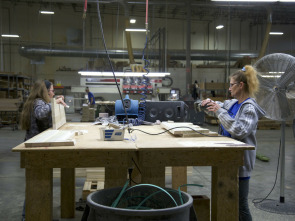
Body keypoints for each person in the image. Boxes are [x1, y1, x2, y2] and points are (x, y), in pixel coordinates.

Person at [200, 65, 265, 221]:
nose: (229, 88)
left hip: (240, 163)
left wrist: (218, 111)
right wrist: (206, 103)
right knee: (227, 201)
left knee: (241, 206)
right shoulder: (232, 103)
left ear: (240, 85)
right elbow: (218, 108)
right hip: (227, 159)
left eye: (231, 84)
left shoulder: (249, 108)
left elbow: (239, 130)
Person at [20, 79, 67, 221]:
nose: (53, 93)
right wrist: (54, 104)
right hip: (35, 148)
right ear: (44, 91)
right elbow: (41, 113)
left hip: (37, 146)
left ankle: (36, 215)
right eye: (51, 90)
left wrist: (54, 101)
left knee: (38, 183)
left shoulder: (37, 101)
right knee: (36, 184)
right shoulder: (38, 102)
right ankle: (26, 216)